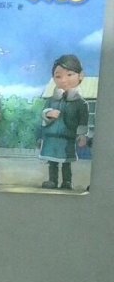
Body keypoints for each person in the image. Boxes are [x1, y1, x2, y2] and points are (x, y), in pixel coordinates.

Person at [39, 54, 89, 190]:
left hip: (68, 138)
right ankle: (52, 180)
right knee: (52, 161)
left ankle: (67, 181)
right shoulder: (52, 100)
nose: (64, 80)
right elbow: (43, 113)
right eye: (58, 76)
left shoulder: (80, 103)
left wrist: (82, 135)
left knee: (66, 161)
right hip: (51, 137)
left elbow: (83, 120)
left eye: (69, 75)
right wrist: (48, 114)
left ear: (80, 76)